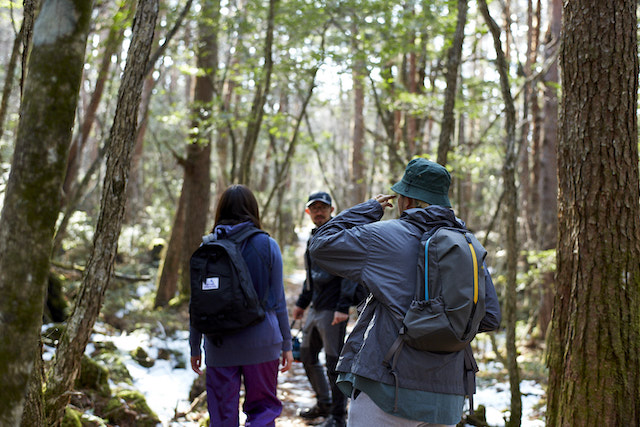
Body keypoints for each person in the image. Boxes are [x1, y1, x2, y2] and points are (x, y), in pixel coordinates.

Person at [308, 158, 501, 426]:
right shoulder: (469, 246)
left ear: (406, 201)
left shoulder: (382, 236)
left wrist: (369, 209)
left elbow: (320, 245)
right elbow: (489, 316)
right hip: (447, 398)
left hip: (386, 389)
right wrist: (441, 327)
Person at [189, 184, 294, 427]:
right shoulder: (268, 246)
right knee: (263, 411)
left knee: (223, 417)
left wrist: (195, 345)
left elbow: (197, 303)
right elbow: (278, 301)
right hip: (262, 343)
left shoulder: (206, 248)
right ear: (253, 210)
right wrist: (286, 344)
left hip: (219, 344)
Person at [293, 191, 365, 427]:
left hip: (334, 308)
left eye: (323, 208)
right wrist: (302, 303)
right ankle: (323, 404)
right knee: (307, 355)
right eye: (314, 208)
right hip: (315, 306)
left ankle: (338, 416)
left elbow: (349, 269)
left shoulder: (339, 234)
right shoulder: (313, 237)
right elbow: (310, 277)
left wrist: (343, 306)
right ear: (308, 212)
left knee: (334, 363)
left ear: (331, 210)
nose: (319, 212)